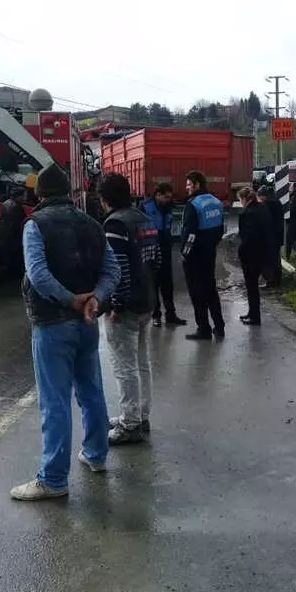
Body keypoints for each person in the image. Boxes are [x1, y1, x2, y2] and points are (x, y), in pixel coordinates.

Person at [11, 163, 120, 501]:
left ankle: (54, 479)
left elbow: (38, 274)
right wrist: (95, 300)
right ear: (69, 193)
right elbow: (112, 270)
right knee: (91, 390)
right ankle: (95, 455)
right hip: (87, 324)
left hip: (52, 323)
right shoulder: (92, 225)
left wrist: (72, 301)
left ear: (39, 195)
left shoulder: (35, 225)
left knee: (54, 400)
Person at [101, 173, 160, 445]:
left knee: (125, 366)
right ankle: (140, 415)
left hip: (127, 306)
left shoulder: (115, 224)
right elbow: (156, 261)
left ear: (105, 199)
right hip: (147, 300)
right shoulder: (145, 219)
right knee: (141, 363)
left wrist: (116, 304)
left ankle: (130, 423)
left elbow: (118, 269)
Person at [181, 171, 225, 341]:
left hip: (195, 257)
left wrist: (185, 254)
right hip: (209, 253)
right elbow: (221, 229)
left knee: (197, 293)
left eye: (188, 184)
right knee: (211, 290)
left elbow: (189, 234)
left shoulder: (193, 204)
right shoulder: (216, 202)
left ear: (197, 184)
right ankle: (219, 327)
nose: (186, 187)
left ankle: (203, 328)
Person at [140, 183, 186, 328]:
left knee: (167, 283)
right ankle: (156, 315)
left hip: (166, 246)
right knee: (153, 283)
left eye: (170, 197)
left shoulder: (169, 208)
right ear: (157, 194)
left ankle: (171, 314)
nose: (168, 200)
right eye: (166, 197)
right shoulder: (145, 207)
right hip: (151, 247)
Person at [238, 187, 273, 325]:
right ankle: (252, 312)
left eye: (240, 200)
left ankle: (254, 316)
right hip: (263, 252)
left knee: (251, 287)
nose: (240, 203)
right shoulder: (262, 208)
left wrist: (242, 251)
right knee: (253, 287)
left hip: (251, 255)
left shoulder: (249, 213)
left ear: (246, 199)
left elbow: (248, 237)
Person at [0, 187, 27, 290]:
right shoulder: (15, 207)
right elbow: (17, 226)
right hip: (10, 242)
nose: (25, 197)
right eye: (23, 195)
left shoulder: (6, 203)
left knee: (0, 262)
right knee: (10, 264)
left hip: (2, 240)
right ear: (18, 196)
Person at [257, 185, 284, 288]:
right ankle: (277, 281)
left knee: (269, 260)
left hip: (270, 236)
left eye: (260, 197)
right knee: (276, 259)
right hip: (277, 236)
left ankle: (271, 282)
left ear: (264, 196)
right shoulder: (277, 202)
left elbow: (265, 222)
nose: (259, 199)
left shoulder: (267, 205)